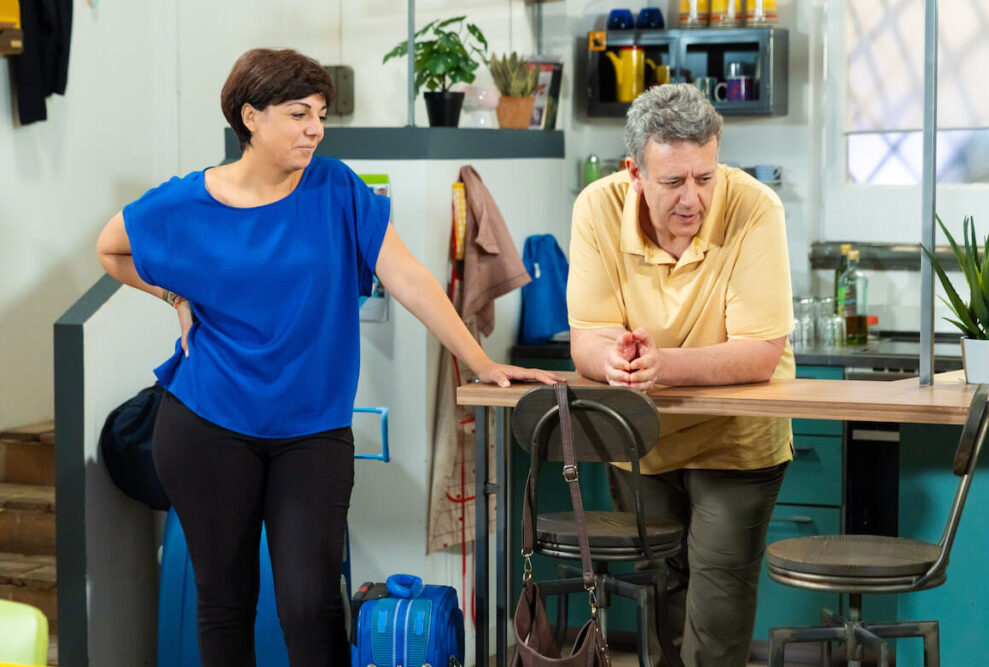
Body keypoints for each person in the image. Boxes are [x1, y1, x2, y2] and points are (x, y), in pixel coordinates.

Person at [95, 48, 561, 667]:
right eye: (298, 114)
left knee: (309, 605)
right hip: (208, 422)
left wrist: (480, 362)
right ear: (250, 117)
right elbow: (111, 249)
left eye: (319, 114)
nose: (315, 128)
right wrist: (174, 296)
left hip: (312, 431)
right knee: (225, 603)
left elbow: (408, 277)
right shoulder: (186, 201)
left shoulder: (336, 187)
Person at [566, 83, 794, 666]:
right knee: (658, 600)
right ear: (635, 173)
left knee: (716, 607)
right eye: (673, 182)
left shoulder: (755, 208)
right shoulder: (597, 207)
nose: (693, 199)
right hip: (642, 440)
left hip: (736, 440)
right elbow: (588, 338)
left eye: (705, 177)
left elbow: (760, 353)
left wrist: (661, 365)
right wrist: (613, 360)